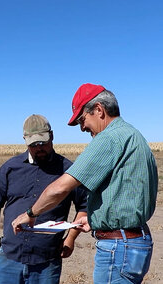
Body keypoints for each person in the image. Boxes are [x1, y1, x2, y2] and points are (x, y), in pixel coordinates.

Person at [12, 84, 158, 284]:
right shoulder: (133, 135)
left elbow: (60, 187)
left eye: (82, 119)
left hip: (119, 248)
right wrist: (96, 221)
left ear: (99, 110)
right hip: (134, 242)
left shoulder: (109, 138)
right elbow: (128, 193)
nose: (82, 127)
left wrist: (30, 214)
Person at [0, 114, 87, 284]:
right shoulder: (10, 168)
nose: (39, 148)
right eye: (34, 144)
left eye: (43, 143)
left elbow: (84, 206)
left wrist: (70, 239)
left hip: (47, 260)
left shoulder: (68, 170)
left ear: (52, 136)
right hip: (9, 256)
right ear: (24, 140)